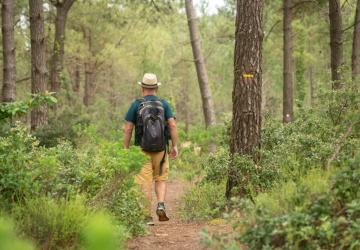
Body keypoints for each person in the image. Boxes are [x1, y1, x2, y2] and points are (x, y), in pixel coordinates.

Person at [123, 73, 178, 225]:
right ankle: (160, 204)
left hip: (141, 150)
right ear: (156, 88)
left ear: (142, 87)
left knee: (144, 182)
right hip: (161, 149)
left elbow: (128, 128)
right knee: (160, 179)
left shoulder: (136, 104)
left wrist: (126, 149)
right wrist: (175, 146)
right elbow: (172, 125)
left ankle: (146, 217)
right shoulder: (164, 104)